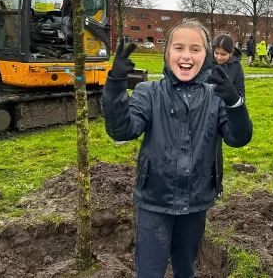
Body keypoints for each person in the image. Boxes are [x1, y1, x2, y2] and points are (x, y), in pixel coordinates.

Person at [102, 18, 253, 278]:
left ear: (206, 56)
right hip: (154, 201)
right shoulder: (148, 92)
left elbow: (238, 138)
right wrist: (116, 82)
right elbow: (121, 130)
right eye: (179, 47)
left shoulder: (215, 98)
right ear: (167, 52)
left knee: (186, 269)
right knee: (149, 272)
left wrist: (234, 102)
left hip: (196, 202)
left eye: (195, 49)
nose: (186, 56)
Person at [210, 34, 246, 200]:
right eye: (216, 53)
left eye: (223, 54)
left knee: (215, 149)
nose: (219, 57)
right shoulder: (205, 62)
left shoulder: (236, 67)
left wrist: (231, 97)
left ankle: (217, 187)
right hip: (204, 109)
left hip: (221, 113)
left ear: (231, 53)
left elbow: (240, 93)